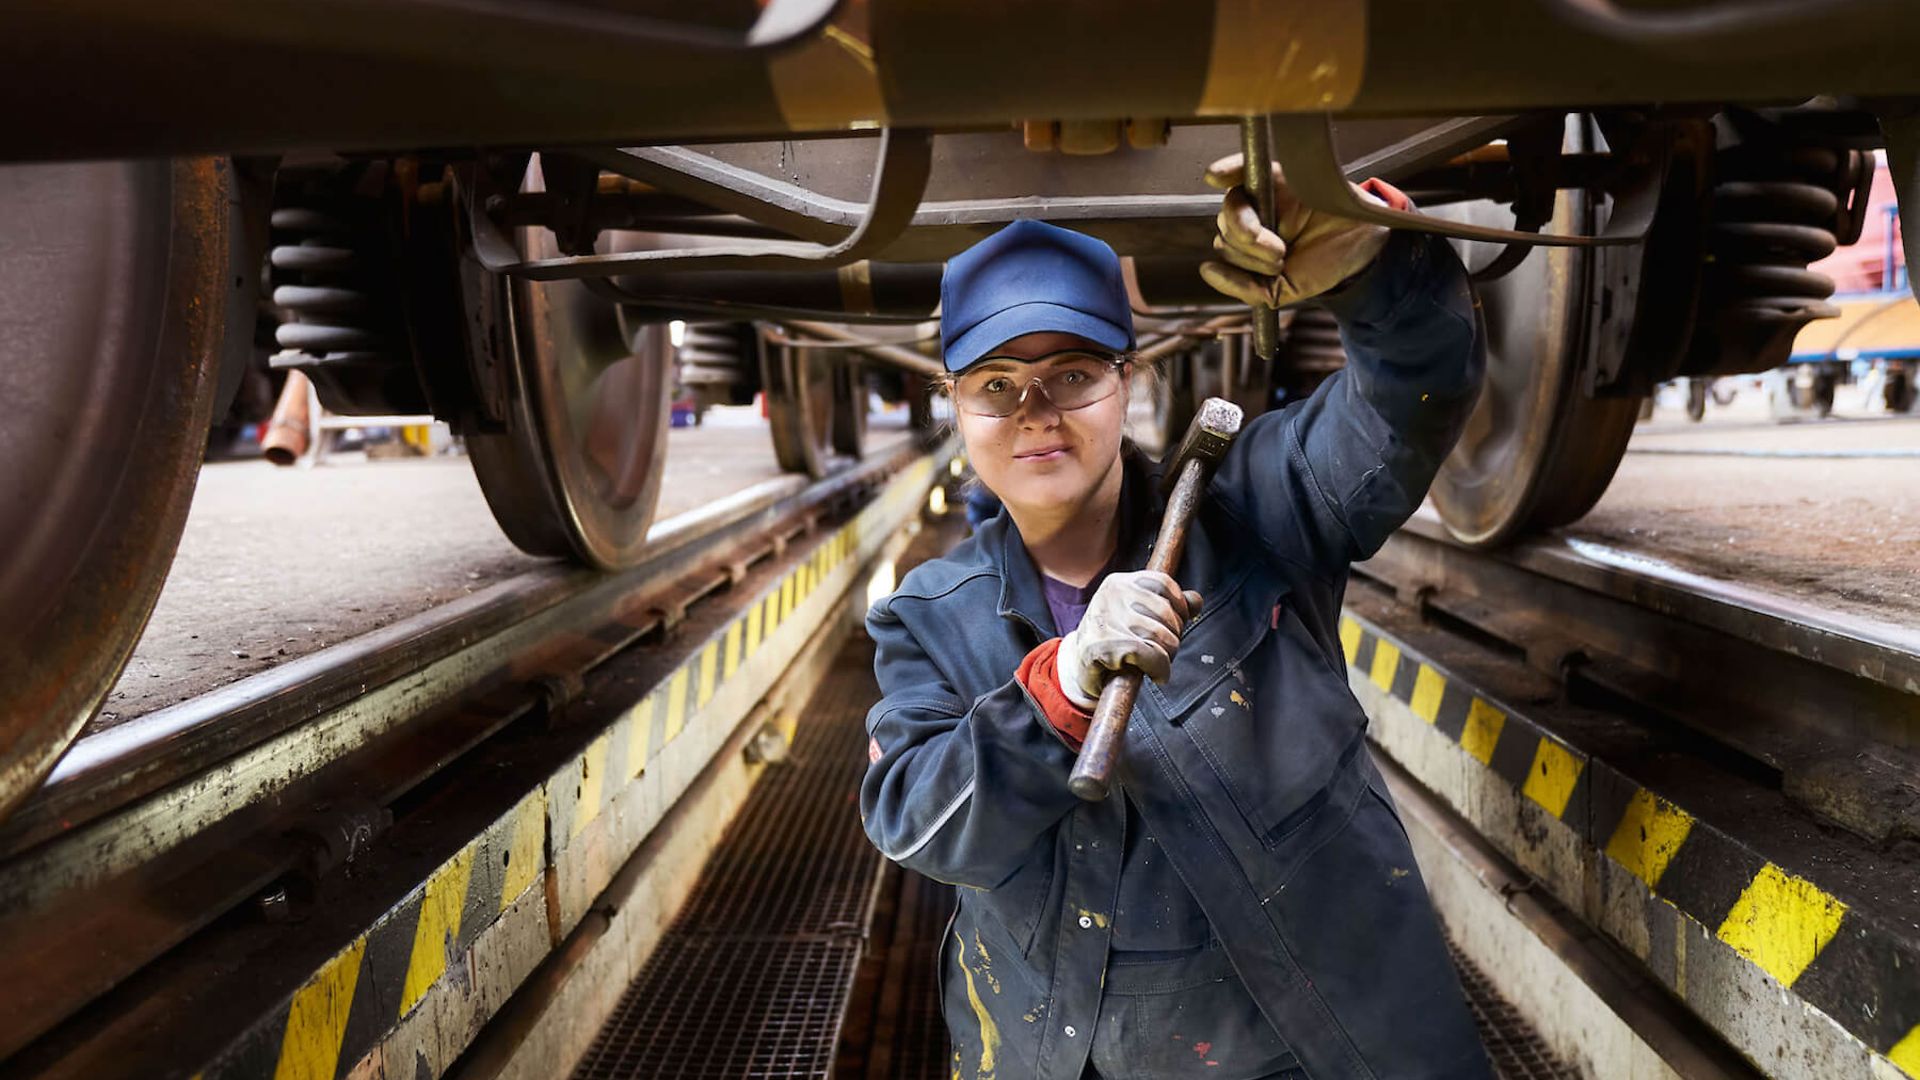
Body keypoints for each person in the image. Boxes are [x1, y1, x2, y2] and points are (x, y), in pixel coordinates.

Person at [859, 154, 1492, 1080]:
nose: (1035, 412)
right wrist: (1062, 683)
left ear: (1128, 379)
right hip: (1053, 1051)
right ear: (952, 406)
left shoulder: (1265, 512)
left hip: (1305, 1047)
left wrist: (1372, 264)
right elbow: (919, 826)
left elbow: (1410, 397)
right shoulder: (928, 617)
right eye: (995, 384)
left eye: (1072, 373)